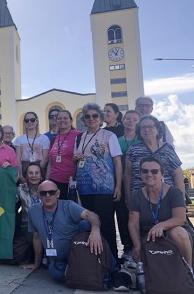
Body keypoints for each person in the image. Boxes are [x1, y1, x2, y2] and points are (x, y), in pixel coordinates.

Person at [21, 180, 132, 291]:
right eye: (43, 193)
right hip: (58, 259)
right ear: (39, 195)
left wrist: (95, 231)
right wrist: (36, 263)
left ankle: (115, 271)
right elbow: (37, 237)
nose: (48, 195)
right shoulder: (33, 211)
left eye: (51, 192)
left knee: (87, 224)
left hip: (76, 250)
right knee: (55, 273)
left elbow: (91, 215)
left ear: (58, 194)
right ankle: (96, 275)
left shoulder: (68, 206)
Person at [73, 102, 122, 260]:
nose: (91, 119)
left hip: (104, 187)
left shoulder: (109, 136)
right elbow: (77, 159)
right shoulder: (80, 136)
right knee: (88, 224)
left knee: (105, 224)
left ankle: (112, 261)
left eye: (95, 116)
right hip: (84, 187)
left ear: (101, 118)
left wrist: (118, 186)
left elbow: (117, 162)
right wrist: (76, 158)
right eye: (87, 116)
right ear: (84, 120)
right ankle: (93, 260)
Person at [128, 156, 192, 267]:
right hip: (149, 236)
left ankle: (188, 270)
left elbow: (180, 219)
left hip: (174, 234)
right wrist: (137, 245)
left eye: (154, 171)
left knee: (177, 232)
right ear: (140, 173)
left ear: (162, 174)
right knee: (137, 253)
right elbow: (133, 223)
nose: (149, 174)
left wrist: (161, 225)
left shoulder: (174, 192)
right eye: (145, 171)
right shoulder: (136, 195)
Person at [125, 115, 185, 204]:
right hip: (141, 197)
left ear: (157, 129)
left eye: (150, 126)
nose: (146, 130)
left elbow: (178, 174)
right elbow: (128, 174)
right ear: (139, 131)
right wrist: (128, 197)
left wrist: (180, 199)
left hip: (167, 197)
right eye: (143, 127)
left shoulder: (167, 148)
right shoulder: (133, 150)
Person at [117, 110, 141, 267]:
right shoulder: (117, 140)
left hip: (138, 183)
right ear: (123, 120)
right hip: (120, 181)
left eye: (134, 119)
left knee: (137, 215)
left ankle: (138, 247)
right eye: (128, 118)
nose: (130, 121)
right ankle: (126, 247)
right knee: (122, 214)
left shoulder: (141, 140)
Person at [47, 110, 82, 199]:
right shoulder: (54, 139)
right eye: (59, 118)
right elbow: (50, 163)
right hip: (54, 181)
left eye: (65, 118)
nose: (62, 120)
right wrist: (47, 181)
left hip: (71, 182)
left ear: (71, 121)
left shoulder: (79, 135)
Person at [16, 162, 44, 236]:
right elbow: (10, 201)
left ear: (41, 176)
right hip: (26, 227)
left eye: (37, 173)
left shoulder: (46, 189)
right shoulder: (20, 189)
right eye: (30, 173)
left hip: (44, 226)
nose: (34, 176)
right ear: (26, 176)